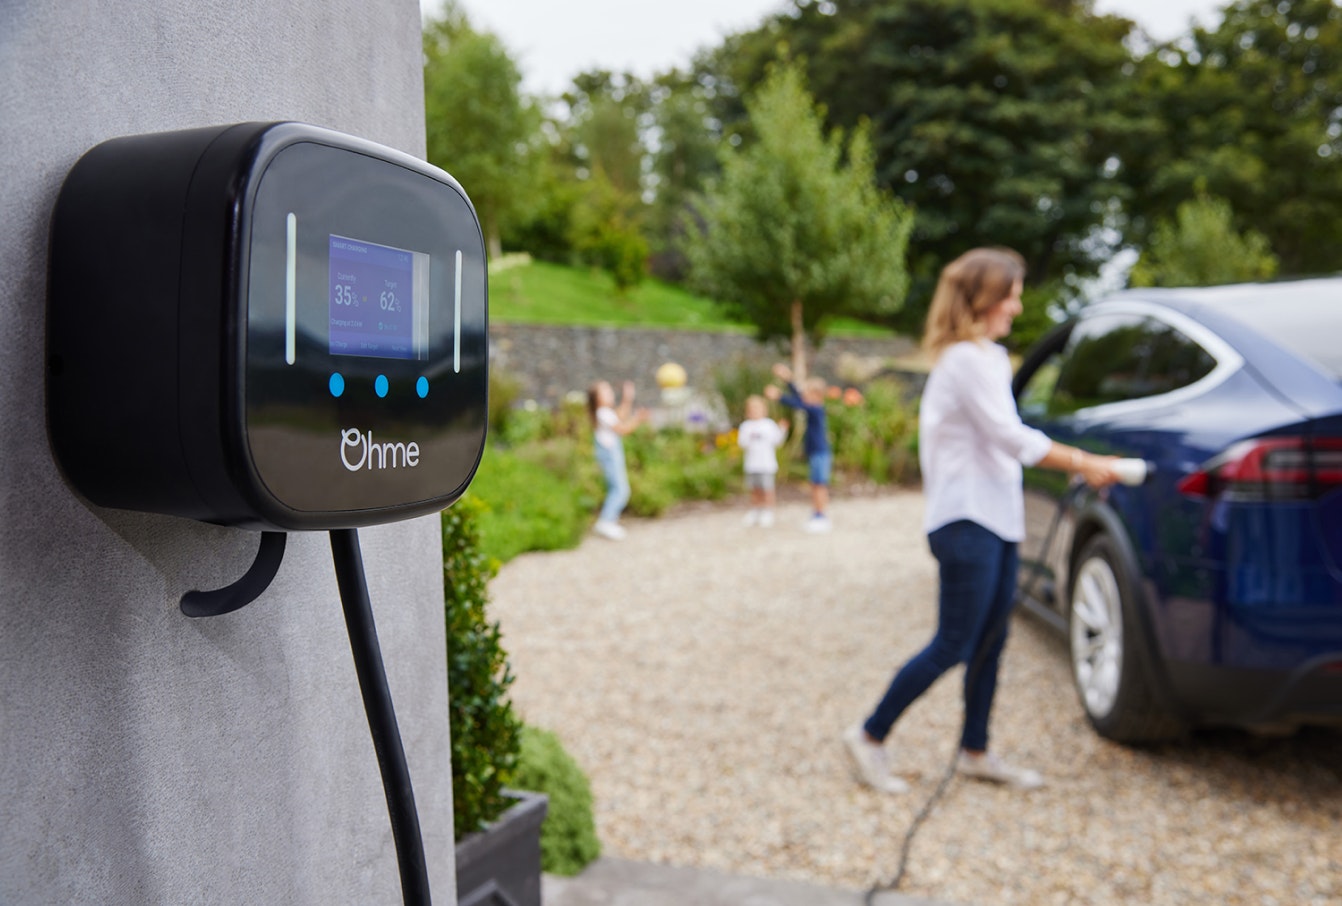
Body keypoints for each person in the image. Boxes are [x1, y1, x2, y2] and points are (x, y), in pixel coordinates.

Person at [842, 247, 1124, 794]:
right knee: (955, 642)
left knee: (991, 640)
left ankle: (976, 750)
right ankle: (869, 735)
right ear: (983, 299)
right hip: (965, 521)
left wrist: (1066, 466)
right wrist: (1084, 462)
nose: (1017, 307)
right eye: (1011, 295)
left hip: (997, 520)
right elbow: (1010, 438)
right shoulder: (966, 361)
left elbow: (1000, 443)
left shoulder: (988, 359)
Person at [765, 364, 833, 532]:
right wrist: (787, 379)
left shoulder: (816, 409)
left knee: (819, 485)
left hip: (820, 453)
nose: (804, 396)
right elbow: (800, 397)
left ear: (816, 395)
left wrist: (779, 396)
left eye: (808, 394)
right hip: (815, 453)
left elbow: (799, 403)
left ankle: (821, 515)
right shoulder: (813, 407)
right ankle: (817, 513)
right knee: (815, 484)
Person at [587, 379, 647, 541]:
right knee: (620, 490)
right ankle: (605, 521)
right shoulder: (603, 413)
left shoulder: (606, 413)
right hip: (610, 457)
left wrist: (627, 399)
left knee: (620, 489)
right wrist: (638, 419)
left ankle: (608, 521)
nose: (610, 393)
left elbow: (620, 416)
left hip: (613, 456)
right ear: (597, 399)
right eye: (605, 391)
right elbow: (622, 428)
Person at [737, 394, 788, 527]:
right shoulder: (746, 426)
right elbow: (742, 443)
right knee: (754, 489)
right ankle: (755, 510)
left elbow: (777, 441)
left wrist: (783, 429)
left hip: (766, 464)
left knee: (767, 489)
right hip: (752, 465)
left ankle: (767, 510)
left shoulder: (769, 425)